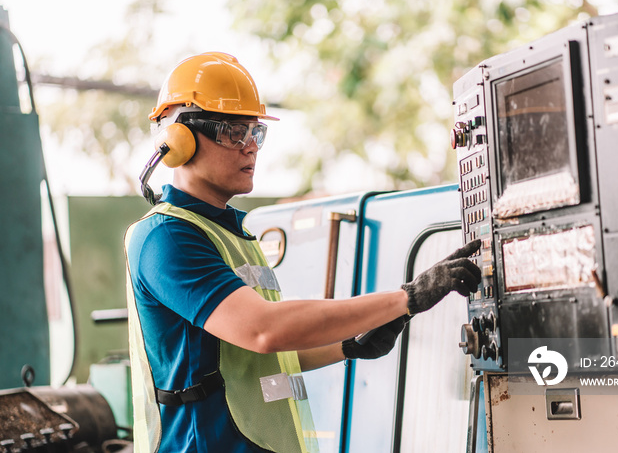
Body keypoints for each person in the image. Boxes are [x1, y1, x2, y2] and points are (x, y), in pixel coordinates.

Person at [125, 51, 482, 453]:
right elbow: (265, 329)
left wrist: (349, 345)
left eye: (255, 132)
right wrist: (406, 297)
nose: (250, 148)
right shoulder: (167, 237)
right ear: (178, 140)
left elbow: (257, 361)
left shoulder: (235, 233)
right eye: (231, 131)